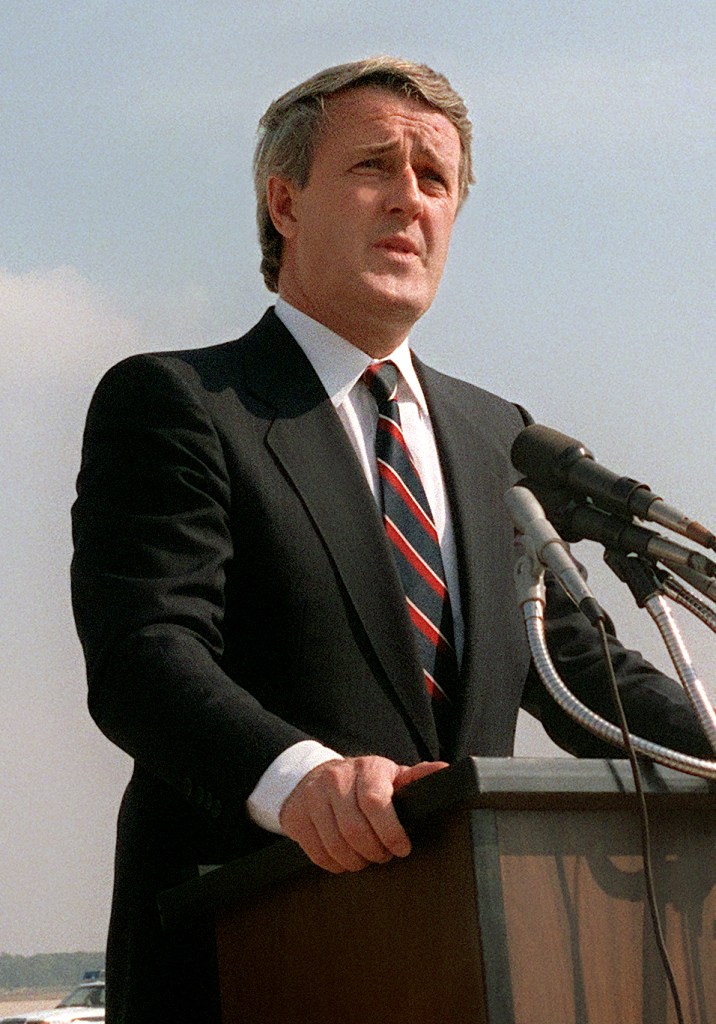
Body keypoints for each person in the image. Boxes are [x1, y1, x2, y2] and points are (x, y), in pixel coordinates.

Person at [71, 56, 711, 1024]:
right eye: (373, 166)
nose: (407, 200)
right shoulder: (183, 404)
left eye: (434, 178)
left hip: (468, 952)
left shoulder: (499, 434)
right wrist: (301, 781)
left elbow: (580, 670)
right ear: (284, 203)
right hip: (252, 945)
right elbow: (145, 654)